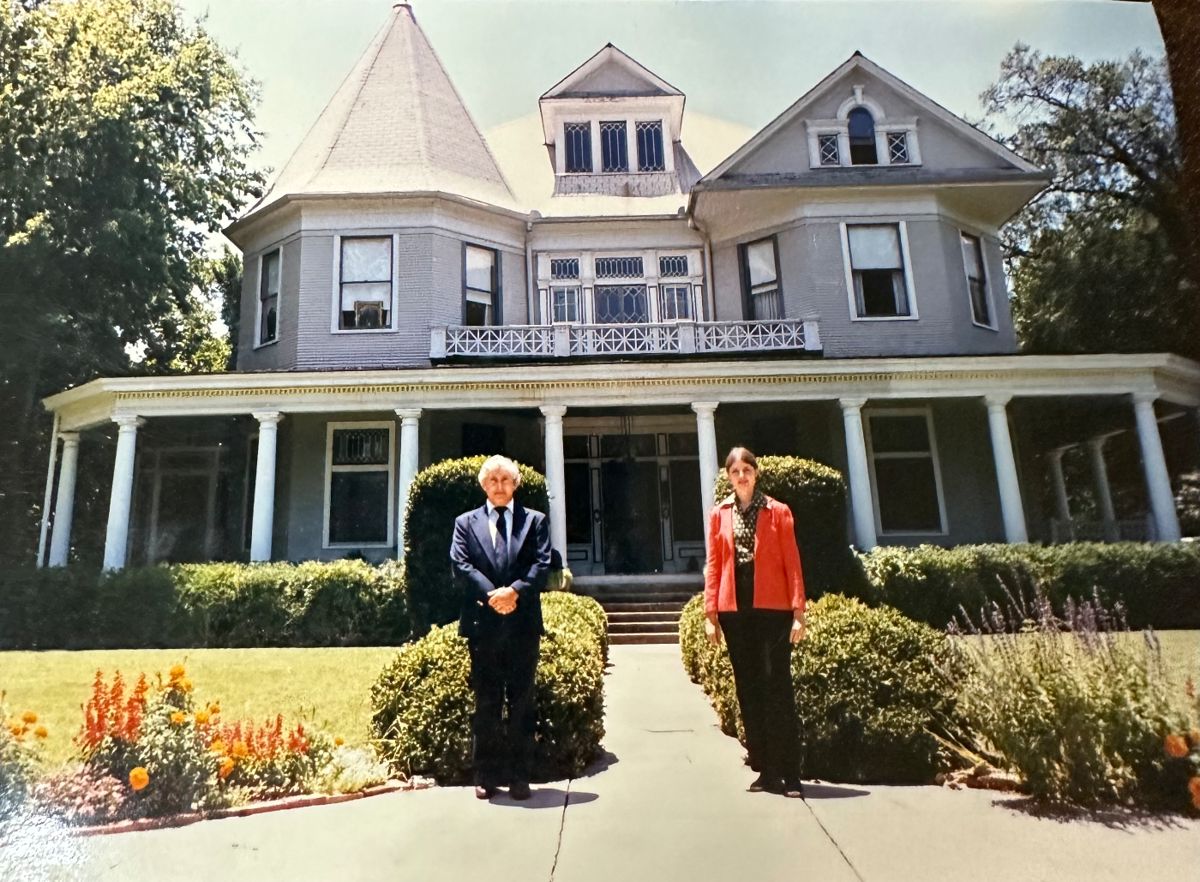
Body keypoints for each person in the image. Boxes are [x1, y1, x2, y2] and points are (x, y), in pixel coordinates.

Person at [704, 447, 807, 798]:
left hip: (773, 607)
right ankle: (765, 769)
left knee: (777, 686)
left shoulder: (777, 511)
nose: (742, 476)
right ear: (728, 477)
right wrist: (710, 614)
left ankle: (790, 773)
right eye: (735, 472)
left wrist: (798, 613)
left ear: (756, 473)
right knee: (748, 688)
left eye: (747, 469)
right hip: (735, 607)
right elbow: (715, 564)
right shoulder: (720, 514)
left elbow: (792, 563)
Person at [451, 455, 552, 800]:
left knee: (522, 702)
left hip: (522, 624)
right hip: (483, 624)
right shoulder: (465, 523)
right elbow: (460, 563)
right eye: (492, 480)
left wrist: (515, 592)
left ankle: (520, 776)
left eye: (505, 480)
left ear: (515, 484)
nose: (499, 486)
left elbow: (542, 563)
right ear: (483, 485)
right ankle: (485, 774)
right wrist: (492, 595)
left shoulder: (534, 521)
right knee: (487, 701)